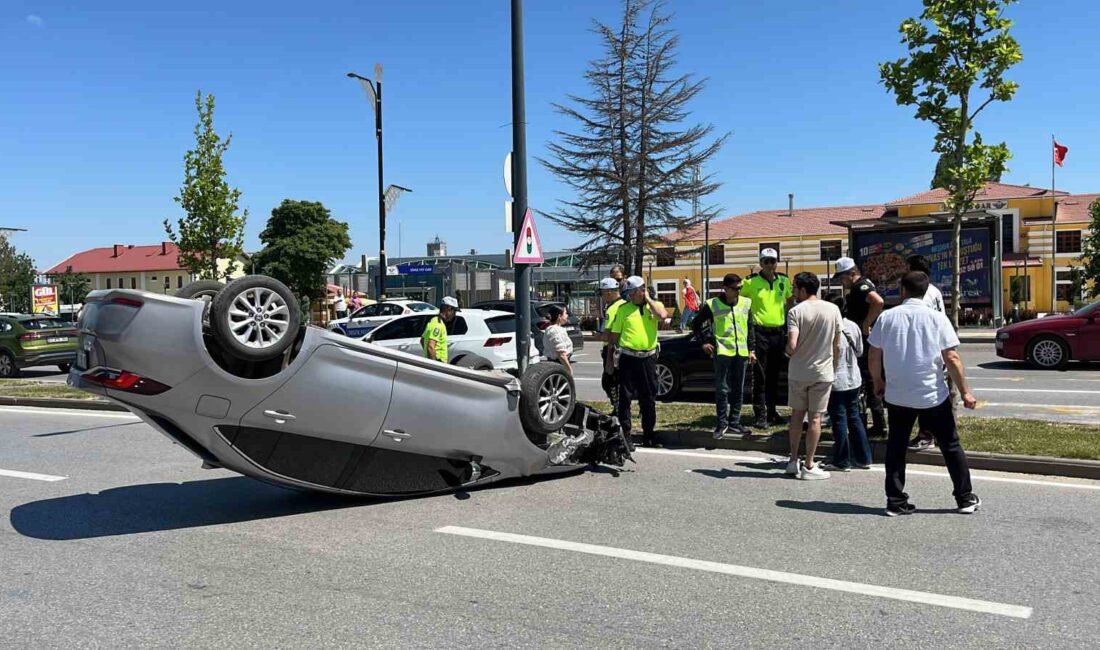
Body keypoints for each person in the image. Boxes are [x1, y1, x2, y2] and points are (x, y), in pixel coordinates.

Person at [869, 271, 981, 517]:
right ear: (926, 290)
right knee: (951, 446)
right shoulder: (937, 318)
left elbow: (874, 354)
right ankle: (964, 498)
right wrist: (965, 392)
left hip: (898, 395)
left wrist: (878, 381)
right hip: (933, 394)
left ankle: (895, 500)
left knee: (896, 448)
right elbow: (951, 357)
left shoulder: (886, 317)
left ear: (903, 290)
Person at [783, 272, 842, 480]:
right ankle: (809, 464)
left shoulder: (795, 311)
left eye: (794, 288)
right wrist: (834, 365)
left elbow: (792, 344)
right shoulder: (833, 309)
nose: (793, 292)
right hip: (822, 371)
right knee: (815, 418)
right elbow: (837, 343)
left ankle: (792, 460)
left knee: (797, 415)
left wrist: (788, 352)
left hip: (799, 371)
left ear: (801, 289)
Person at [605, 275, 668, 447]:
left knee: (648, 398)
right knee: (625, 398)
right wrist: (610, 360)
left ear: (641, 291)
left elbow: (662, 316)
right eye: (629, 294)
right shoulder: (624, 309)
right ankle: (626, 436)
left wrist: (647, 298)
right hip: (628, 358)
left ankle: (649, 435)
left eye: (633, 293)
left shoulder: (655, 307)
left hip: (648, 359)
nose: (630, 297)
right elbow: (614, 337)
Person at [693, 273, 756, 437]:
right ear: (726, 288)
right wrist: (704, 342)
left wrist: (752, 349)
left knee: (738, 389)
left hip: (741, 352)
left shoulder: (746, 303)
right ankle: (722, 424)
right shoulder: (712, 304)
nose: (738, 292)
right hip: (722, 352)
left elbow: (750, 328)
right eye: (735, 289)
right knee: (722, 389)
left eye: (740, 288)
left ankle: (735, 422)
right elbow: (696, 324)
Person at [834, 256, 886, 437]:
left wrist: (866, 324)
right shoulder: (862, 285)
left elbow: (878, 301)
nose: (842, 282)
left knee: (869, 380)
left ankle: (878, 423)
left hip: (864, 342)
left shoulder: (861, 286)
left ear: (852, 273)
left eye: (843, 277)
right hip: (864, 341)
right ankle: (877, 421)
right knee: (869, 380)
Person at [743, 248, 793, 429]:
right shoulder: (750, 282)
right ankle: (760, 415)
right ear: (761, 263)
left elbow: (789, 301)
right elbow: (740, 302)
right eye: (766, 261)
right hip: (760, 333)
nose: (770, 265)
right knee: (760, 375)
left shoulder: (784, 281)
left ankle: (772, 411)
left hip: (778, 333)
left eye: (773, 261)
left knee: (774, 375)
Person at [821, 301, 872, 472]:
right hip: (854, 377)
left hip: (836, 380)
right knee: (854, 417)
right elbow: (860, 351)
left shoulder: (829, 328)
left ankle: (841, 460)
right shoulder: (852, 326)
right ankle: (864, 457)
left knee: (839, 420)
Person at [906, 254, 947, 451]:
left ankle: (926, 435)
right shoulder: (934, 291)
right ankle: (936, 434)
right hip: (935, 345)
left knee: (924, 395)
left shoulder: (923, 294)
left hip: (927, 347)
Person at [599, 277, 627, 404]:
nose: (602, 296)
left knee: (609, 381)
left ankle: (617, 409)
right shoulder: (624, 305)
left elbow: (608, 334)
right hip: (623, 348)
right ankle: (620, 408)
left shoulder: (612, 309)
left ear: (609, 292)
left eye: (602, 293)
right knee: (619, 381)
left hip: (611, 348)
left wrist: (596, 336)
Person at [421, 296, 459, 363]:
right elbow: (430, 346)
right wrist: (435, 365)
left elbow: (422, 340)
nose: (454, 315)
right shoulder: (437, 324)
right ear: (448, 309)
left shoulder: (434, 321)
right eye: (454, 311)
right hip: (438, 362)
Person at [542, 304, 574, 376]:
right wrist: (569, 370)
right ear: (559, 316)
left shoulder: (553, 329)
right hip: (558, 366)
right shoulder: (555, 331)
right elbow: (561, 354)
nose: (567, 315)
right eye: (565, 313)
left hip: (556, 364)